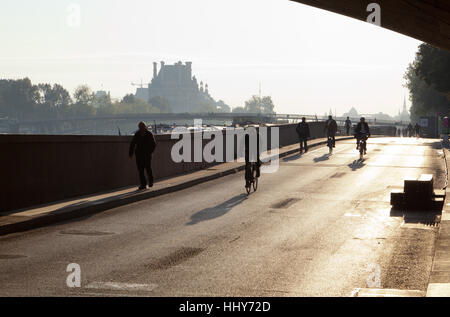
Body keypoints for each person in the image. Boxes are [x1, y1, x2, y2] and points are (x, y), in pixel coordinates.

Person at [129, 121, 157, 190]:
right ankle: (143, 185)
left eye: (142, 126)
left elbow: (154, 144)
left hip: (147, 155)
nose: (141, 128)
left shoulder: (149, 134)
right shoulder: (137, 134)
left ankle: (150, 182)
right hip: (139, 155)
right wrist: (131, 153)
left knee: (148, 169)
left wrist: (150, 152)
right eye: (140, 127)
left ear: (145, 127)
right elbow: (132, 144)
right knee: (140, 171)